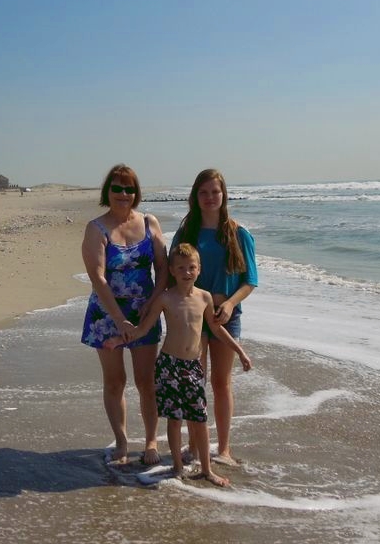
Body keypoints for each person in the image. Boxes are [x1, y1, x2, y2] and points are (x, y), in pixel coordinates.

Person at [106, 243, 251, 487]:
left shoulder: (204, 297)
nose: (187, 272)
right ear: (172, 270)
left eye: (191, 267)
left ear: (199, 269)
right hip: (169, 366)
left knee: (199, 419)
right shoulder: (165, 298)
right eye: (181, 268)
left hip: (193, 366)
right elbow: (144, 328)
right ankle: (177, 467)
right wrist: (120, 339)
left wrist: (240, 352)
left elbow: (217, 329)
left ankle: (206, 470)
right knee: (174, 420)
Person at [81, 164, 168, 466]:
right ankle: (121, 441)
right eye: (117, 188)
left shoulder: (149, 222)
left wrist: (152, 304)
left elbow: (164, 269)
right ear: (108, 191)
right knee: (115, 381)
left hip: (144, 314)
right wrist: (119, 319)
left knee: (147, 382)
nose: (123, 194)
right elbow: (98, 277)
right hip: (107, 315)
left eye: (129, 188)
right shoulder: (96, 228)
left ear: (136, 192)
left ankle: (151, 441)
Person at [171, 168, 258, 466]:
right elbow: (171, 272)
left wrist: (231, 303)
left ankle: (223, 449)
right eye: (204, 192)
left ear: (224, 195)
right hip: (193, 318)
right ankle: (195, 446)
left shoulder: (238, 233)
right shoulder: (186, 233)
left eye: (215, 192)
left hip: (225, 317)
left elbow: (250, 281)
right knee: (195, 383)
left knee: (221, 383)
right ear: (195, 196)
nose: (210, 197)